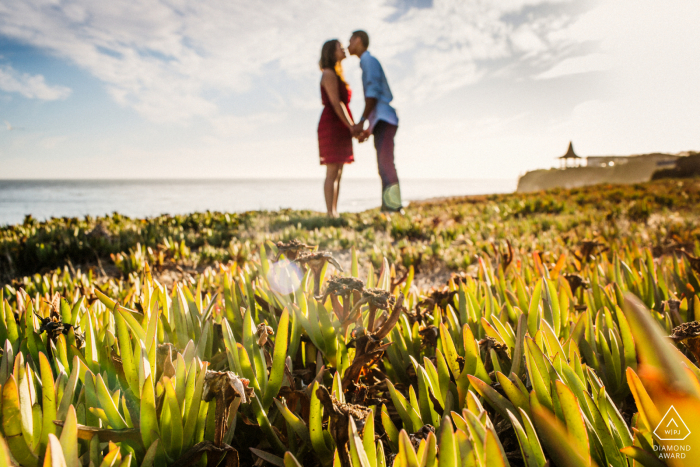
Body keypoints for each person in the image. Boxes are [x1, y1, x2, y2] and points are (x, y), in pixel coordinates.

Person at [347, 30, 403, 213]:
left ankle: (394, 207)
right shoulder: (367, 62)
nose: (348, 44)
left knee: (386, 162)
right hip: (382, 119)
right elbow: (375, 101)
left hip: (385, 119)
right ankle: (389, 206)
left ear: (359, 40)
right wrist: (369, 128)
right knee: (383, 163)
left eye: (351, 40)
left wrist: (362, 121)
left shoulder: (368, 61)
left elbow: (372, 96)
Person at [318, 39, 356, 218]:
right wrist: (351, 126)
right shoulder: (328, 73)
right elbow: (336, 102)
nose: (343, 49)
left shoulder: (337, 73)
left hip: (341, 124)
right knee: (332, 170)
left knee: (339, 170)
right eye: (339, 47)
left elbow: (343, 105)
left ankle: (334, 211)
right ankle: (329, 213)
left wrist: (351, 126)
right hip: (333, 125)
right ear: (332, 52)